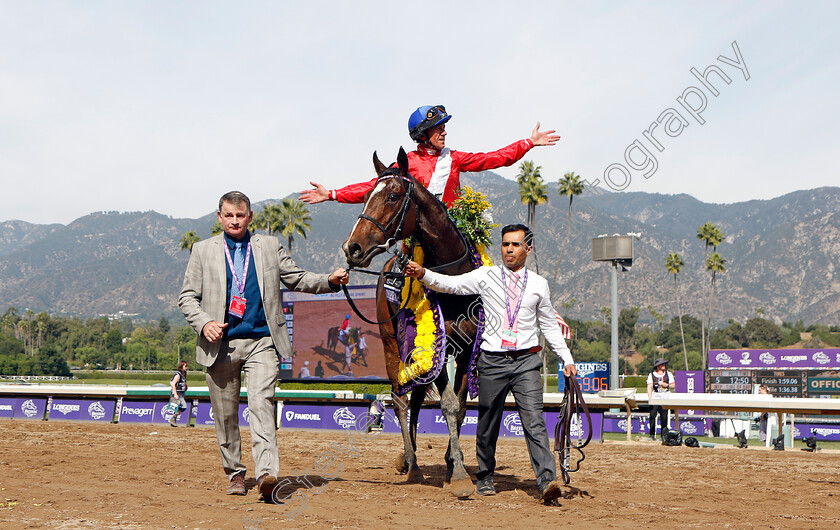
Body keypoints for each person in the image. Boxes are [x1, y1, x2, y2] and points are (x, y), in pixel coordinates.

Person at [178, 191, 350, 500]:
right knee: (226, 415)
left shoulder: (268, 247)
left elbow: (297, 278)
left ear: (249, 217)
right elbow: (187, 297)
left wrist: (330, 280)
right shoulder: (202, 250)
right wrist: (205, 322)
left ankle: (267, 473)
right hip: (221, 345)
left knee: (262, 405)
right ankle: (235, 473)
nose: (234, 220)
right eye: (228, 215)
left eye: (240, 215)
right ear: (219, 217)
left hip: (262, 341)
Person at [402, 223, 576, 504]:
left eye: (516, 244)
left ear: (528, 249)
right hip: (493, 361)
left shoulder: (539, 285)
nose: (509, 249)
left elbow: (549, 326)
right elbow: (453, 285)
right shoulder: (486, 275)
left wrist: (566, 359)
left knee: (534, 422)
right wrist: (423, 274)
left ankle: (547, 481)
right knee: (487, 424)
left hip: (527, 362)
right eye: (505, 244)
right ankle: (484, 476)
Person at [299, 105, 560, 208]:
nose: (444, 131)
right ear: (423, 133)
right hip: (417, 236)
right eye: (439, 127)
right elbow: (371, 188)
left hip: (454, 231)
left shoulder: (455, 158)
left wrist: (528, 143)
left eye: (444, 127)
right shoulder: (406, 163)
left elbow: (494, 158)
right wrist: (332, 193)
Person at [647, 358, 675, 440]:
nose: (664, 366)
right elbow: (649, 387)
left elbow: (673, 386)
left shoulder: (668, 374)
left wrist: (666, 385)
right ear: (658, 366)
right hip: (655, 396)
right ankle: (652, 434)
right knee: (652, 416)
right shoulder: (651, 375)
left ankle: (664, 435)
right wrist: (650, 398)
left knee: (664, 416)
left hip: (664, 396)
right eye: (662, 364)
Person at [169, 360, 188, 427]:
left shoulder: (184, 373)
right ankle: (173, 417)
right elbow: (173, 384)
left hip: (181, 392)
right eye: (185, 366)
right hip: (177, 392)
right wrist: (175, 394)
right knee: (183, 406)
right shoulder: (178, 374)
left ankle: (173, 418)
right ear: (181, 366)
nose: (186, 368)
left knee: (180, 407)